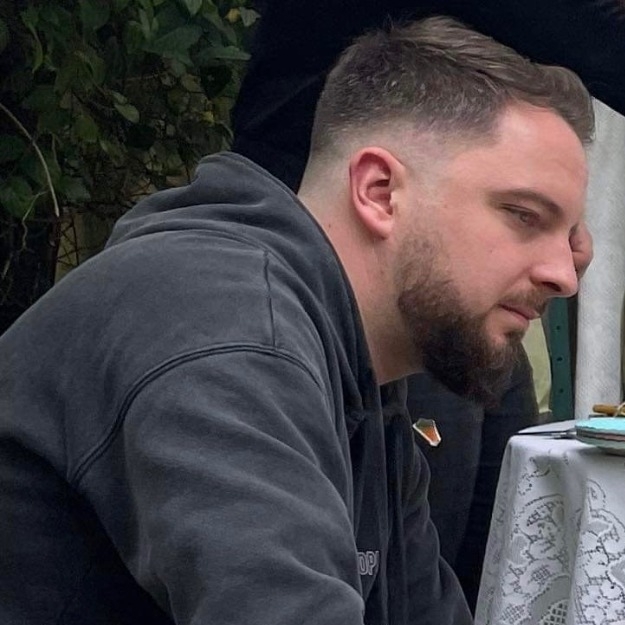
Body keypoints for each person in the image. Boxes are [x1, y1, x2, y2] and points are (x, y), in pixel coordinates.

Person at [0, 16, 593, 625]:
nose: (564, 275)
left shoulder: (364, 372)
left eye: (568, 235)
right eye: (524, 215)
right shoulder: (228, 335)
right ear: (380, 191)